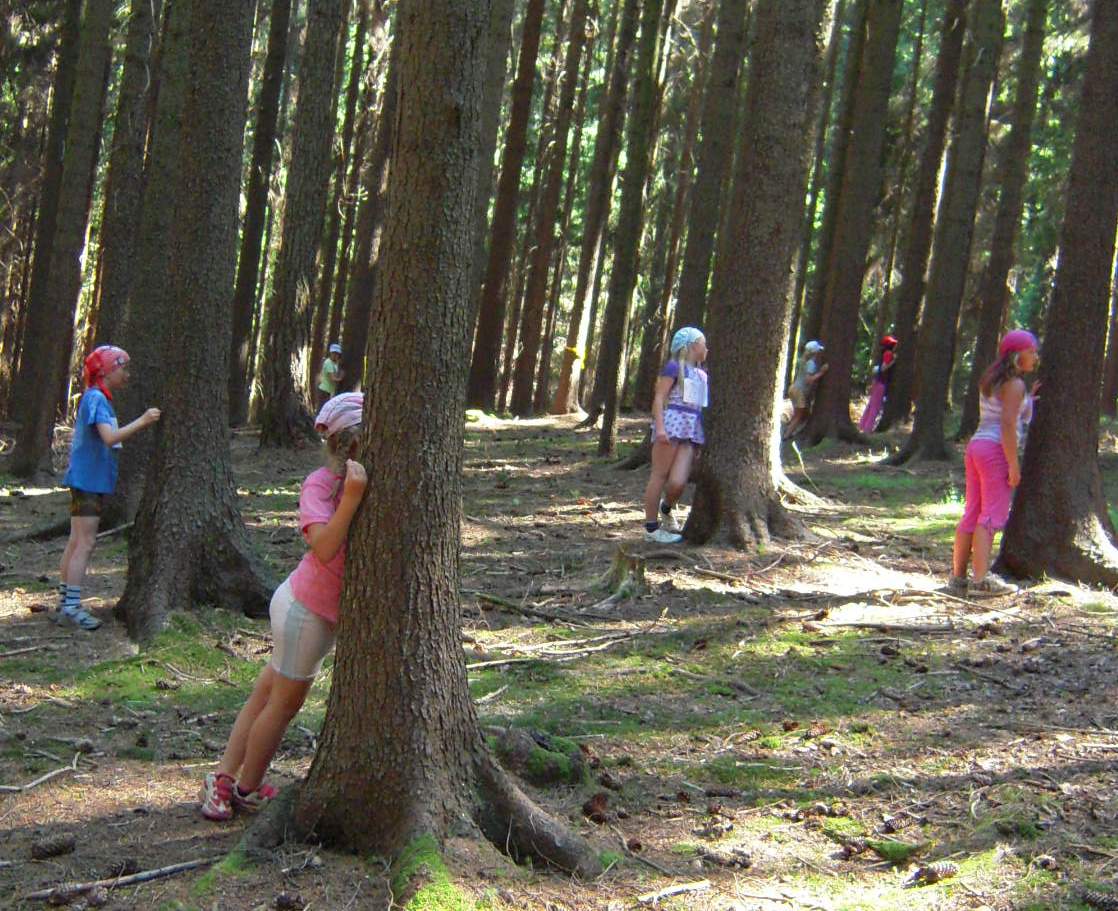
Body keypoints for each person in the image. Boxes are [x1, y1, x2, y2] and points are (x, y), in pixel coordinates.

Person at [201, 392, 367, 820]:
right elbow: (324, 548)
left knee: (264, 698)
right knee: (282, 706)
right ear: (352, 445)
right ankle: (248, 788)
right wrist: (350, 498)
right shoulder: (320, 485)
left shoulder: (361, 485)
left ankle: (223, 778)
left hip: (310, 614)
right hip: (304, 613)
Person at [56, 346, 160, 630]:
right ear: (106, 371)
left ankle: (65, 602)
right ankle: (71, 607)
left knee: (76, 541)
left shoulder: (96, 398)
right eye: (122, 368)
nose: (127, 374)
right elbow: (110, 437)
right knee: (84, 543)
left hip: (86, 480)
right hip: (88, 481)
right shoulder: (96, 399)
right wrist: (144, 420)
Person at [950, 329, 1039, 596]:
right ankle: (980, 581)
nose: (1036, 356)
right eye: (1031, 351)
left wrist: (1028, 399)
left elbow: (1006, 410)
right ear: (1017, 356)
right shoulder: (1014, 384)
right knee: (990, 516)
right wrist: (1013, 464)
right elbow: (1008, 424)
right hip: (995, 451)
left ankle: (958, 578)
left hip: (977, 446)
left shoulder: (993, 380)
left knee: (972, 512)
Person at [642, 327, 708, 545]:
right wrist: (660, 428)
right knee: (659, 475)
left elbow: (699, 406)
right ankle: (651, 529)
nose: (706, 349)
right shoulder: (673, 367)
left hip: (690, 430)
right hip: (671, 426)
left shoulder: (701, 374)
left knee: (678, 482)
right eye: (703, 344)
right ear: (693, 346)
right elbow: (659, 398)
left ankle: (666, 508)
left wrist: (699, 437)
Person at [783, 340, 829, 440]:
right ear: (815, 353)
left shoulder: (802, 360)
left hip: (793, 388)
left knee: (798, 413)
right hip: (799, 391)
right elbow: (808, 380)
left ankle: (788, 430)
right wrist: (822, 372)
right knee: (799, 416)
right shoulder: (811, 363)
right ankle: (786, 435)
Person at [858, 335, 898, 432]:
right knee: (875, 407)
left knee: (871, 405)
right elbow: (884, 368)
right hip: (881, 383)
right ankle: (867, 429)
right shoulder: (888, 354)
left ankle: (862, 425)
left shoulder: (884, 353)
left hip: (878, 381)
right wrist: (893, 361)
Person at [317, 343, 345, 409]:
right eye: (333, 353)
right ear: (330, 353)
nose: (335, 355)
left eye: (337, 354)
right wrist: (341, 378)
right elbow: (332, 378)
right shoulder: (328, 363)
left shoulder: (334, 363)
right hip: (324, 390)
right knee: (322, 409)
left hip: (329, 391)